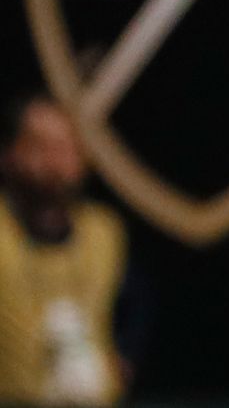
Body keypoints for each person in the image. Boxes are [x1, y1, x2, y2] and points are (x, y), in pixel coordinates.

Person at [0, 88, 146, 406]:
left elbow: (136, 306)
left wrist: (123, 363)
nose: (56, 162)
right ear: (9, 153)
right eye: (40, 146)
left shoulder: (104, 232)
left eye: (66, 147)